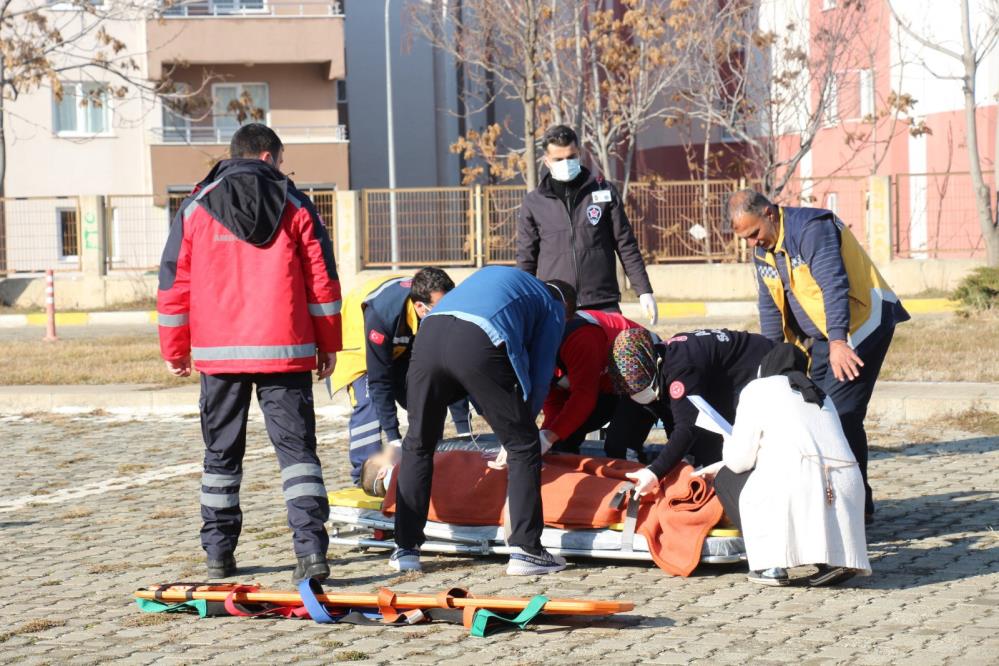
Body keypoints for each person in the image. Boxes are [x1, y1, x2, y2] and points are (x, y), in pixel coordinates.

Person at [156, 123, 341, 585]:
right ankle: (312, 553)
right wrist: (329, 344)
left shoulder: (197, 207)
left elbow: (174, 283)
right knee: (298, 456)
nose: (283, 169)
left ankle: (218, 554)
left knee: (220, 457)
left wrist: (175, 348)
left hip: (220, 355)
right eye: (281, 161)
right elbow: (322, 281)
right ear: (267, 158)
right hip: (287, 350)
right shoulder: (296, 204)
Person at [728, 189, 910, 522]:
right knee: (818, 412)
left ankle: (850, 506)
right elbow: (770, 306)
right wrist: (773, 364)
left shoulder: (812, 228)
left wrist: (840, 341)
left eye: (754, 233)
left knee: (838, 415)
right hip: (824, 337)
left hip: (860, 326)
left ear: (770, 213)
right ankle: (857, 502)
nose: (752, 242)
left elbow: (834, 284)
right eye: (746, 238)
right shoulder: (764, 251)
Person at [391, 266, 573, 576]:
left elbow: (481, 380)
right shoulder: (552, 305)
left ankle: (405, 548)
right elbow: (540, 374)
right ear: (567, 308)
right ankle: (527, 550)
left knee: (419, 443)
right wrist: (519, 430)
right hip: (476, 339)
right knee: (524, 443)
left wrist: (501, 421)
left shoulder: (503, 280)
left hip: (429, 336)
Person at [697, 344, 871, 587]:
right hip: (848, 485)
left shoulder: (758, 389)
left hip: (799, 480)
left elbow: (739, 461)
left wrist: (728, 441)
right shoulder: (821, 393)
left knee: (727, 478)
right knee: (800, 483)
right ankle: (830, 560)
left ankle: (770, 564)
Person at [329, 268, 470, 483]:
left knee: (427, 394)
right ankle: (368, 477)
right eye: (439, 308)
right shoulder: (382, 314)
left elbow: (449, 370)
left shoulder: (441, 313)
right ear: (420, 307)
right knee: (370, 403)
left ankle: (427, 461)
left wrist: (464, 432)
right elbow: (379, 380)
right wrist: (394, 439)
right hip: (359, 344)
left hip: (401, 345)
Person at [606, 328, 773, 497]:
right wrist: (679, 458)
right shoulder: (658, 361)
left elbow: (687, 427)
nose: (637, 394)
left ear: (651, 363)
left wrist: (655, 472)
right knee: (698, 452)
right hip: (723, 375)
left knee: (732, 453)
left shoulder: (681, 368)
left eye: (642, 388)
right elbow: (672, 412)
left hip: (761, 365)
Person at [516, 124, 658, 324]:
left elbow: (626, 245)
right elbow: (526, 259)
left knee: (608, 355)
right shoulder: (534, 202)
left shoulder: (603, 192)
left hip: (603, 301)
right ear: (546, 160)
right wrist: (522, 301)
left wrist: (644, 291)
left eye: (571, 157)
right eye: (558, 159)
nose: (566, 163)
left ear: (579, 154)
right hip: (557, 303)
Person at [542, 309, 652, 460]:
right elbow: (554, 404)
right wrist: (545, 435)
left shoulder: (579, 338)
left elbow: (584, 397)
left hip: (636, 375)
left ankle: (642, 478)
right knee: (561, 437)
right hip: (603, 384)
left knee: (620, 446)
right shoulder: (541, 357)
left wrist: (547, 438)